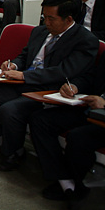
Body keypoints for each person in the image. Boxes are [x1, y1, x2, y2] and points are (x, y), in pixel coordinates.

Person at [0, 0, 98, 172]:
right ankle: (2, 141)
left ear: (68, 19)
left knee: (9, 110)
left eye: (51, 18)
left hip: (47, 91)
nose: (46, 22)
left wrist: (25, 77)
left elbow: (64, 71)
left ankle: (13, 152)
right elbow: (25, 55)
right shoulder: (40, 32)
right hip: (20, 82)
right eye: (44, 16)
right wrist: (14, 64)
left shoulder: (84, 40)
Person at [28, 50, 105, 203]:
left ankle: (74, 185)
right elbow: (92, 77)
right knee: (40, 120)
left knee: (78, 137)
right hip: (91, 109)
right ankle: (64, 180)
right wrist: (74, 86)